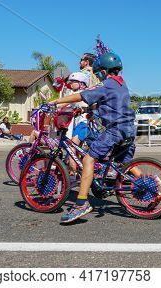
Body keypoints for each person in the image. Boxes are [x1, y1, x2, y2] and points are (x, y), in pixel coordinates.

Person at [50, 52, 138, 224]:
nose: (98, 77)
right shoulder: (121, 84)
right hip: (129, 129)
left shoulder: (106, 84)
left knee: (89, 159)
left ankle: (81, 203)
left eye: (98, 74)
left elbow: (82, 95)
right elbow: (110, 102)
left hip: (116, 130)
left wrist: (56, 102)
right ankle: (152, 190)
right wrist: (89, 110)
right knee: (123, 164)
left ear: (104, 71)